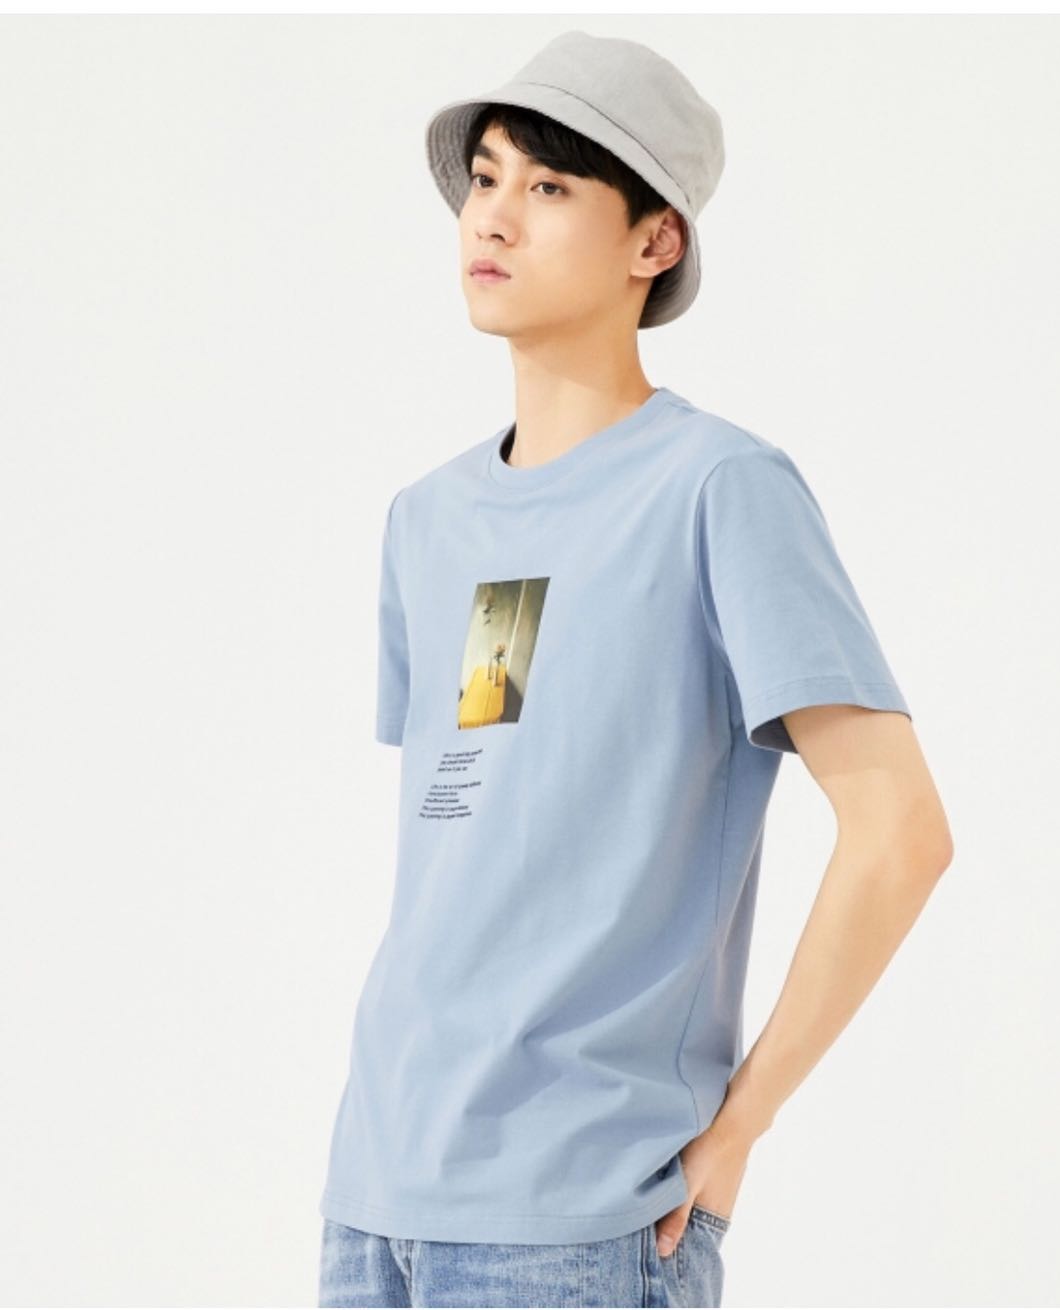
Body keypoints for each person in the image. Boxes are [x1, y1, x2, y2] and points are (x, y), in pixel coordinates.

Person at [317, 29, 953, 1309]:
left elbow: (902, 830)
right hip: (375, 1197)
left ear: (653, 240)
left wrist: (739, 1127)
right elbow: (474, 832)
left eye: (549, 186)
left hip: (581, 1214)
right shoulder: (426, 519)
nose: (493, 215)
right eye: (485, 177)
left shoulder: (719, 488)